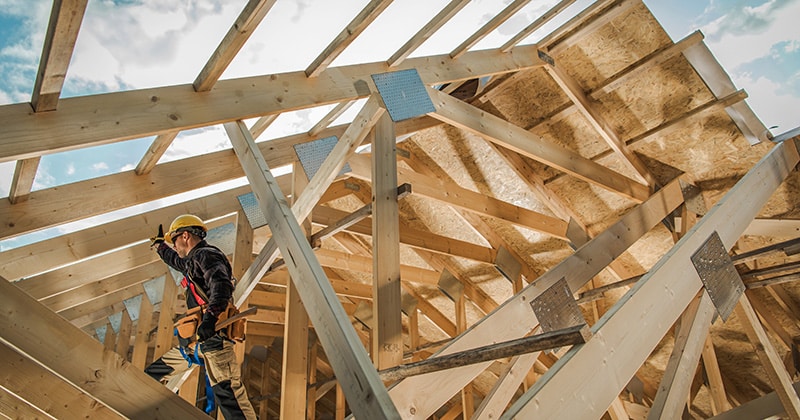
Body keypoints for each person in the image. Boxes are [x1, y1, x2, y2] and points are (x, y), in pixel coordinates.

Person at [146, 214, 257, 420]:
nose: (175, 246)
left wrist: (210, 319)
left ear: (185, 236)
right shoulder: (193, 261)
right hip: (197, 343)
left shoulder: (207, 255)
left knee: (229, 396)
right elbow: (175, 260)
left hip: (214, 342)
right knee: (152, 374)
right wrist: (160, 246)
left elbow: (221, 286)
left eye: (175, 240)